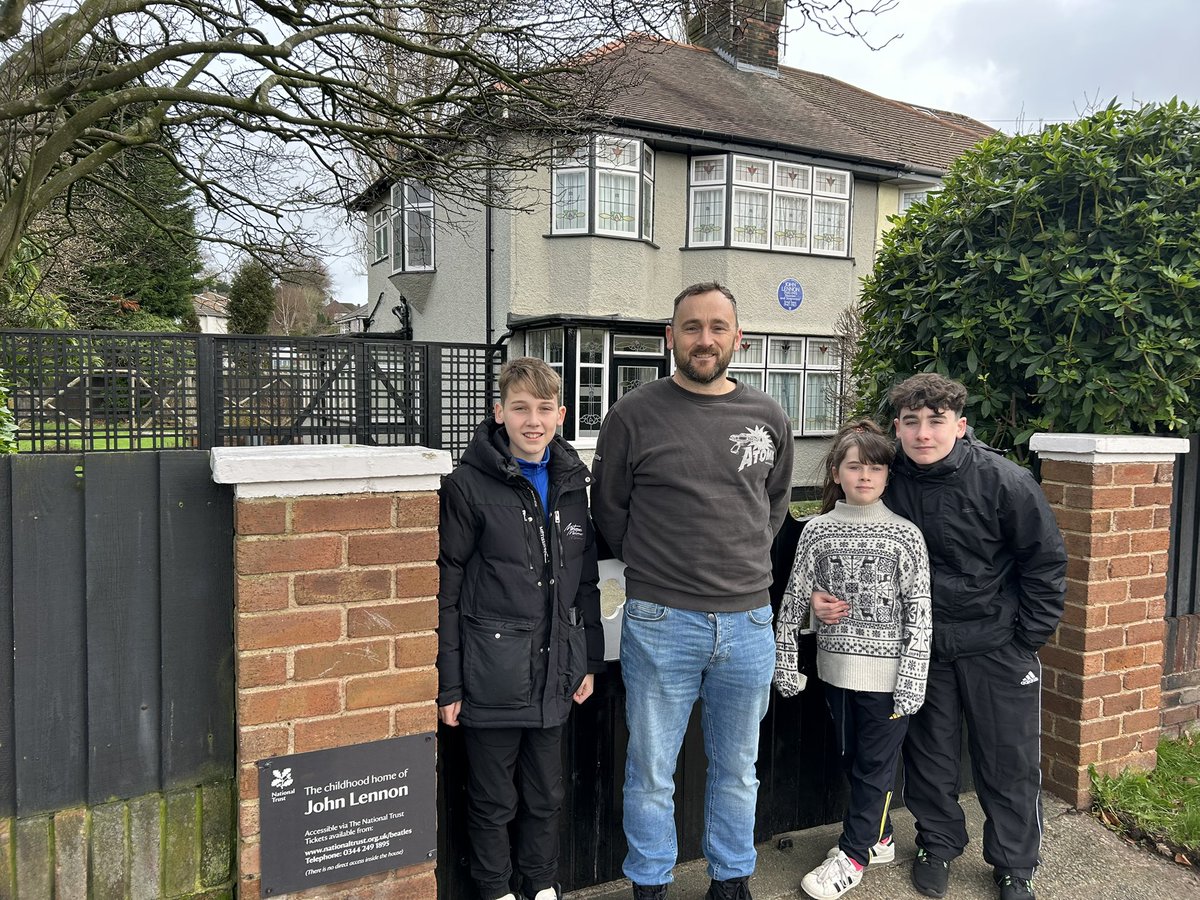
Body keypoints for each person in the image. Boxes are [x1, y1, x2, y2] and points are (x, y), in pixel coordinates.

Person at [813, 374, 1066, 900]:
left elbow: (1044, 563)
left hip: (997, 644)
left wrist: (1027, 641)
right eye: (911, 422)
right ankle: (939, 842)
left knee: (1008, 760)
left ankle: (1015, 865)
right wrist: (818, 595)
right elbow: (844, 536)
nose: (923, 433)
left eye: (936, 421)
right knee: (930, 757)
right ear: (898, 427)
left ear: (960, 424)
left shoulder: (1005, 481)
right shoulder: (889, 477)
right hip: (922, 646)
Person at [591, 282, 795, 900]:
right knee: (651, 770)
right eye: (690, 327)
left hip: (749, 624)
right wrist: (662, 566)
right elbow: (611, 512)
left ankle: (730, 878)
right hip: (661, 619)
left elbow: (775, 507)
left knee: (737, 769)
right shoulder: (633, 415)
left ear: (738, 338)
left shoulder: (769, 417)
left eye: (716, 327)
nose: (704, 339)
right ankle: (649, 883)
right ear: (669, 338)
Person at [436, 356, 604, 900]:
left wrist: (588, 661)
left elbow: (584, 584)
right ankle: (495, 891)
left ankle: (540, 885)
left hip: (556, 673)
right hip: (491, 677)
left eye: (543, 409)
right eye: (520, 408)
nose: (533, 421)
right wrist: (451, 683)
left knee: (545, 796)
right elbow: (450, 589)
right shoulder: (467, 486)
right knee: (492, 802)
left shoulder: (574, 483)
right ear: (499, 413)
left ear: (560, 414)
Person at [774, 419, 932, 900]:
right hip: (835, 671)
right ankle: (881, 836)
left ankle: (854, 854)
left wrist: (912, 677)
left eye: (876, 468)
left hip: (888, 680)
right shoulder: (817, 532)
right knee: (852, 759)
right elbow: (794, 600)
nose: (865, 476)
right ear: (836, 472)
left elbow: (920, 612)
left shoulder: (905, 536)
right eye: (855, 466)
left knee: (874, 768)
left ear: (887, 476)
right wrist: (788, 658)